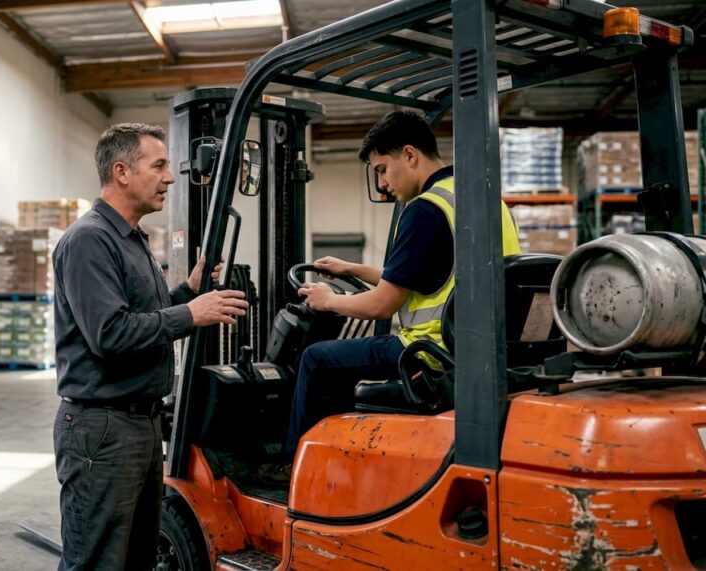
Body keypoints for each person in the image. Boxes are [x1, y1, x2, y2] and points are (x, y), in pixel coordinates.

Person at [260, 111, 520, 482]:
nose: (382, 184)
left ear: (410, 155)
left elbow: (382, 303)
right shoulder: (481, 201)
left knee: (318, 359)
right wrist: (353, 270)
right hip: (475, 350)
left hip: (430, 352)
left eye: (382, 169)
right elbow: (429, 276)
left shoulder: (424, 210)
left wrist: (327, 300)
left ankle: (293, 470)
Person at [52, 122, 249, 570]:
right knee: (97, 561)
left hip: (138, 423)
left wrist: (187, 293)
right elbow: (110, 334)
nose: (170, 177)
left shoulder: (132, 238)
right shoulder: (89, 241)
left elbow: (143, 315)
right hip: (102, 429)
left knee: (137, 558)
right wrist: (191, 314)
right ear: (122, 172)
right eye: (158, 165)